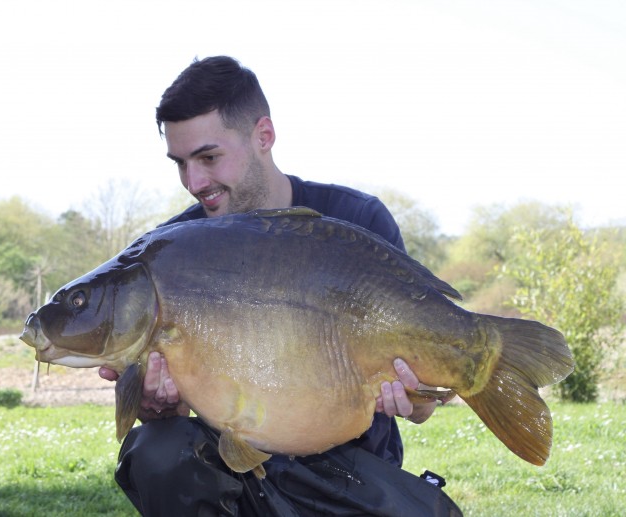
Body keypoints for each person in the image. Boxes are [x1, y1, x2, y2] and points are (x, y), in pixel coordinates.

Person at [99, 56, 461, 516]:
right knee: (157, 450)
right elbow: (162, 420)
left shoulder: (357, 222)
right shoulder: (170, 252)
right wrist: (155, 404)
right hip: (232, 474)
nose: (195, 182)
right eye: (181, 163)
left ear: (263, 136)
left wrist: (414, 399)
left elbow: (426, 404)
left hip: (348, 472)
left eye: (209, 157)